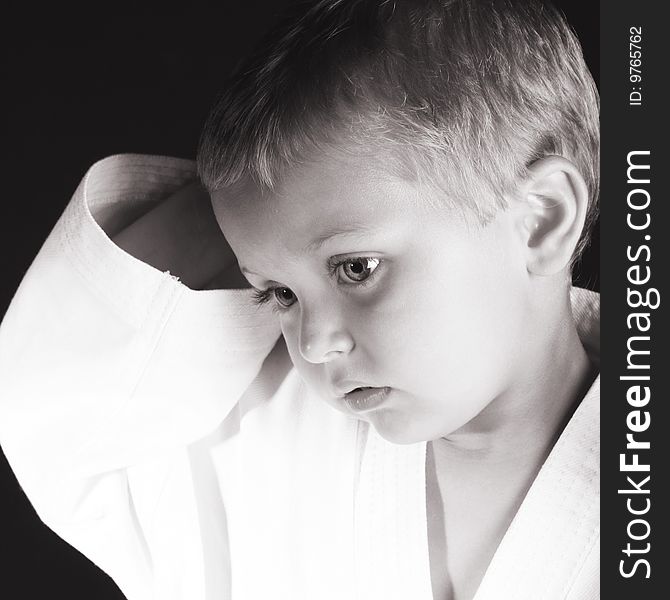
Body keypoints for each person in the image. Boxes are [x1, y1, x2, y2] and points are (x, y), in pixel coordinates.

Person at [0, 1, 599, 599]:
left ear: (542, 219)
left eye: (357, 268)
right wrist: (263, 201)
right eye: (279, 294)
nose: (314, 343)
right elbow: (51, 411)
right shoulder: (251, 448)